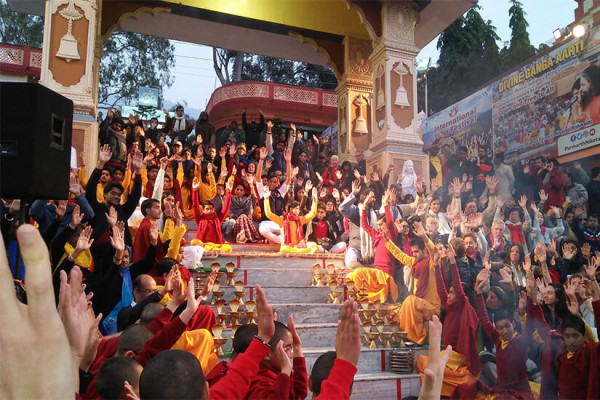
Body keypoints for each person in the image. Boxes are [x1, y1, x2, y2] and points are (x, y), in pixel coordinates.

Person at [416, 245, 479, 397]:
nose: (449, 295)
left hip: (457, 355)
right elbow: (441, 289)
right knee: (421, 362)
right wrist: (436, 265)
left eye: (452, 293)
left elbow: (457, 285)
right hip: (447, 354)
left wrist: (452, 262)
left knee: (431, 367)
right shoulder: (449, 306)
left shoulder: (462, 305)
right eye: (449, 293)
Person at [246, 317, 307, 400]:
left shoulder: (277, 373)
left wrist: (297, 348)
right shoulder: (259, 381)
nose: (291, 355)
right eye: (287, 348)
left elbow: (299, 394)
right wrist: (286, 370)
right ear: (267, 354)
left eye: (291, 348)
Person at [264, 187, 319, 253]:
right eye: (297, 209)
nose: (299, 211)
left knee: (314, 246)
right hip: (288, 246)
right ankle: (300, 252)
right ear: (291, 209)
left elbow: (312, 214)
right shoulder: (282, 219)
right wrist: (266, 199)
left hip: (299, 246)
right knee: (285, 249)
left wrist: (314, 201)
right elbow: (269, 214)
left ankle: (299, 252)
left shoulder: (300, 219)